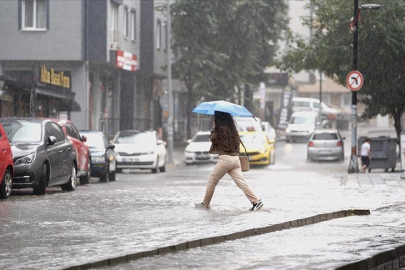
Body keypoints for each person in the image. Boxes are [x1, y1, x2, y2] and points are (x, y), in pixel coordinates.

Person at [195, 111, 263, 211]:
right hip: (235, 160)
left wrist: (214, 128)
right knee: (242, 183)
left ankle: (205, 203)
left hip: (225, 159)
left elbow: (214, 140)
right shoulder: (233, 129)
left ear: (218, 118)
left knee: (212, 180)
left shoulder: (220, 129)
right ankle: (256, 201)